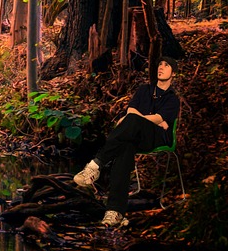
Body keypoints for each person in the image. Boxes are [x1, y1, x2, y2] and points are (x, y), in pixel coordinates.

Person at [73, 60, 179, 227]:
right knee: (125, 149)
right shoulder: (144, 90)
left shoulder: (172, 99)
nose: (161, 67)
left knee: (131, 121)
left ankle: (95, 165)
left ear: (173, 73)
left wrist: (141, 119)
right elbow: (131, 111)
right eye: (160, 64)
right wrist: (146, 119)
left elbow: (158, 119)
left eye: (166, 66)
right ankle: (115, 212)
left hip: (156, 137)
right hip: (135, 136)